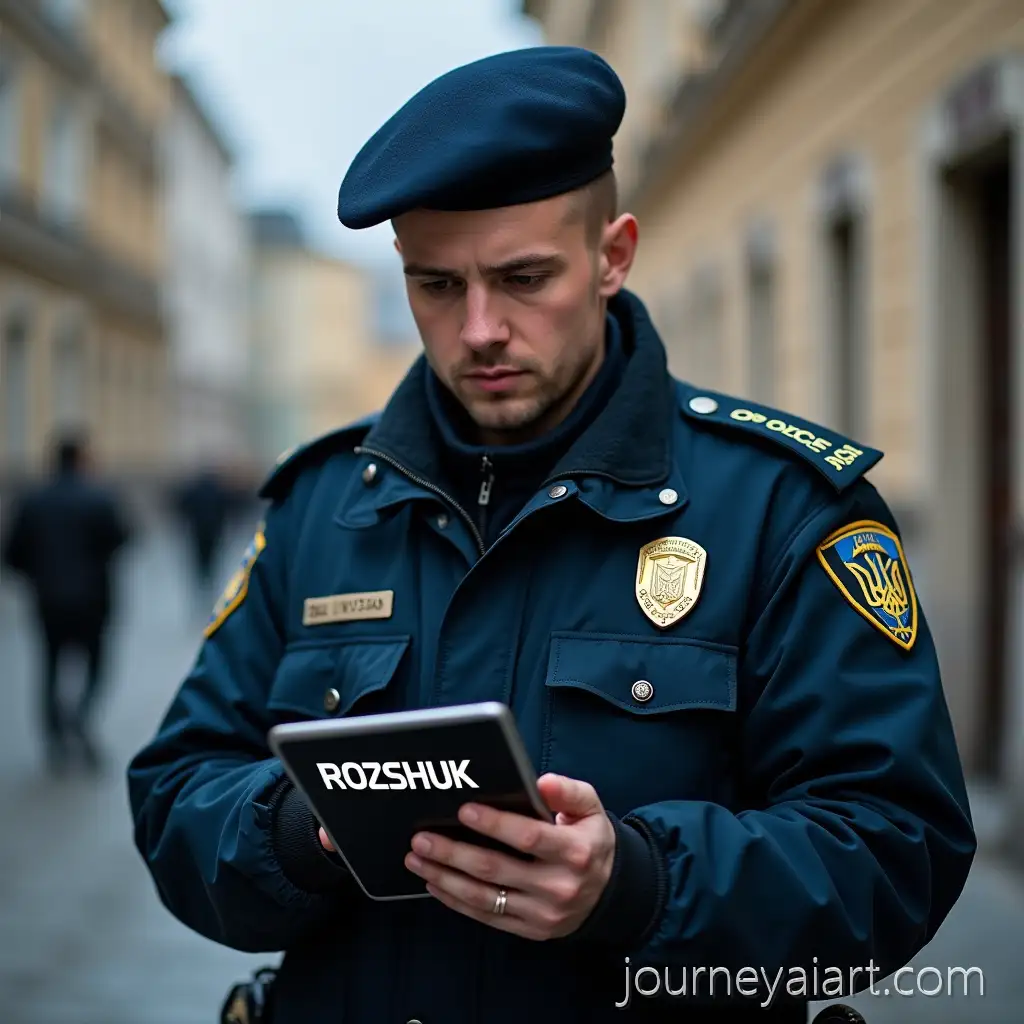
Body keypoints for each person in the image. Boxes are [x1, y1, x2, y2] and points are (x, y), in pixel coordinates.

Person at [127, 46, 976, 1023]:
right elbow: (175, 791)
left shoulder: (781, 506)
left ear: (612, 255)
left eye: (523, 278)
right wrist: (291, 829)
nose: (479, 328)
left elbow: (896, 845)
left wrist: (642, 881)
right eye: (436, 286)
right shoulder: (324, 505)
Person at [3, 431, 131, 771]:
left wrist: (38, 576)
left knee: (49, 668)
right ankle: (80, 715)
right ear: (82, 459)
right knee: (97, 665)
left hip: (47, 600)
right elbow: (122, 539)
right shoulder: (99, 497)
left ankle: (55, 740)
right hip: (94, 600)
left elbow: (12, 554)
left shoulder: (31, 499)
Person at [172, 465, 235, 614]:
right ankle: (209, 585)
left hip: (197, 531)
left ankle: (202, 587)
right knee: (212, 560)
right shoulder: (217, 490)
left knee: (199, 561)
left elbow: (182, 505)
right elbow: (227, 508)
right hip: (214, 531)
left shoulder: (194, 489)